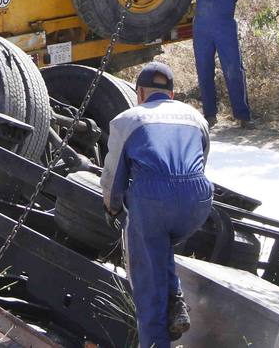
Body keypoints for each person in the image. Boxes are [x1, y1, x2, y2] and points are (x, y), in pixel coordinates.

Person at [101, 62, 215, 348]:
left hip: (153, 200)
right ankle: (175, 303)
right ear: (172, 94)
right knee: (160, 248)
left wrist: (112, 208)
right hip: (197, 200)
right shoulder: (196, 118)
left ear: (139, 93)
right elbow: (200, 161)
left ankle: (154, 343)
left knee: (147, 285)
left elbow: (113, 178)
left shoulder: (127, 120)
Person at [175, 0, 254, 128]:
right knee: (204, 71)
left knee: (234, 70)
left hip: (225, 28)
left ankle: (243, 116)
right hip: (202, 29)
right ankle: (210, 115)